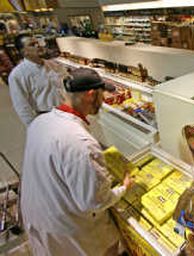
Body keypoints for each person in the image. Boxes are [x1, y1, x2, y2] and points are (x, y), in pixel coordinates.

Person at [21, 68, 134, 256]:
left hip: (40, 217)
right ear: (90, 95)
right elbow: (95, 202)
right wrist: (124, 187)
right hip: (71, 230)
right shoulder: (81, 143)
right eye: (101, 94)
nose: (103, 100)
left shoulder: (41, 121)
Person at [8, 33, 68, 126]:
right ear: (24, 52)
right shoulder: (18, 75)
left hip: (66, 112)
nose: (38, 46)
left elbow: (66, 84)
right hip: (46, 118)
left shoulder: (53, 65)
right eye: (32, 45)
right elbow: (21, 105)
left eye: (37, 43)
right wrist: (34, 126)